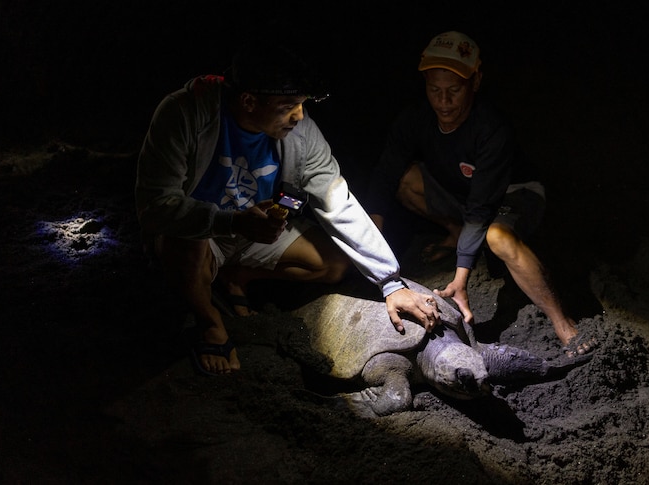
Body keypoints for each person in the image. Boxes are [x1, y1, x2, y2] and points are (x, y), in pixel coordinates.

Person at [135, 40, 440, 376]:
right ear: (249, 101)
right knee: (186, 238)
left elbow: (336, 199)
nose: (299, 115)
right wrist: (230, 221)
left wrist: (390, 282)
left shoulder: (302, 129)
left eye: (302, 104)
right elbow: (156, 207)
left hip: (256, 229)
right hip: (205, 233)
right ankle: (209, 322)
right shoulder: (185, 114)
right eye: (289, 105)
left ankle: (237, 276)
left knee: (337, 261)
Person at [364, 31, 596, 358]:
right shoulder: (414, 119)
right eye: (435, 90)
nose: (444, 102)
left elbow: (481, 207)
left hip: (513, 193)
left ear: (475, 81)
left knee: (497, 237)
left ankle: (563, 322)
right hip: (466, 194)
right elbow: (383, 178)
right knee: (404, 180)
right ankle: (457, 234)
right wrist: (370, 253)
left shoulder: (491, 127)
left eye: (454, 91)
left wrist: (461, 280)